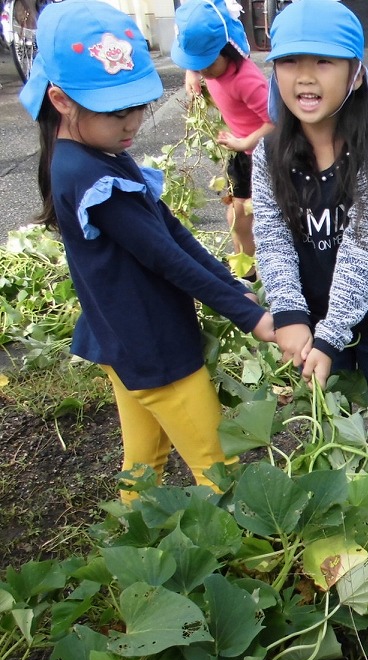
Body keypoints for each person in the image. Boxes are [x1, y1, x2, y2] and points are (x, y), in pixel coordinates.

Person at [20, 0, 276, 499]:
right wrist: (251, 318)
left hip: (123, 338)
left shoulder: (98, 155)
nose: (133, 122)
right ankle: (253, 557)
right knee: (218, 469)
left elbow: (171, 232)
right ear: (61, 100)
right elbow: (166, 257)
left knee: (144, 462)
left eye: (138, 105)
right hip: (154, 346)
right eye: (117, 111)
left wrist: (232, 286)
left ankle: (136, 536)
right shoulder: (90, 175)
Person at [251, 0, 368, 467]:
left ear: (355, 74)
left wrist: (331, 337)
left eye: (323, 62)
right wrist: (289, 311)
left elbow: (364, 252)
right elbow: (271, 237)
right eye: (289, 61)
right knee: (341, 434)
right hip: (312, 323)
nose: (305, 77)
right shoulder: (267, 157)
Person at [171, 0, 274, 259]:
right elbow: (198, 61)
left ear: (228, 50)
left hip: (258, 155)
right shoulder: (212, 67)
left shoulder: (247, 81)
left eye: (206, 64)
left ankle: (251, 273)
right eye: (197, 64)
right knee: (234, 216)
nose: (203, 70)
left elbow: (276, 123)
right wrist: (192, 72)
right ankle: (243, 266)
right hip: (240, 150)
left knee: (243, 217)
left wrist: (245, 142)